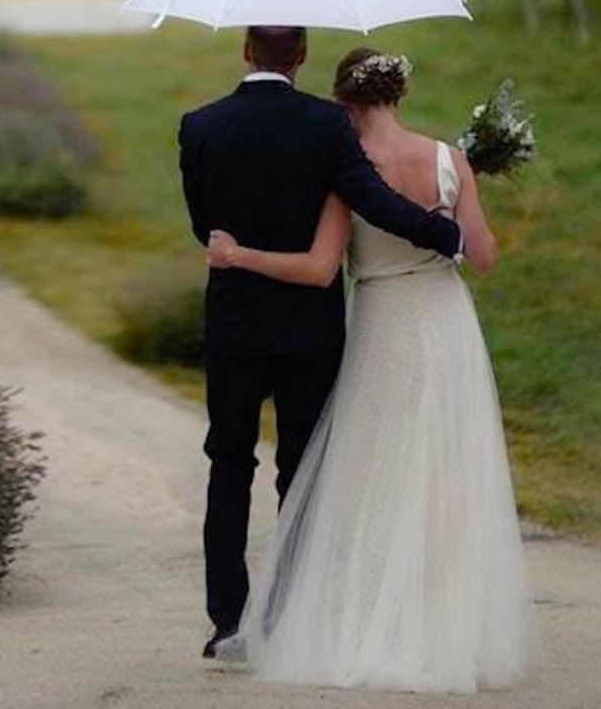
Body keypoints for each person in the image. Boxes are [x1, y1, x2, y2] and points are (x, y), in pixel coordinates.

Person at [206, 45, 531, 692]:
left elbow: (320, 270)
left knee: (371, 478)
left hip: (383, 325)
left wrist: (240, 255)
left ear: (346, 103)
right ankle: (445, 629)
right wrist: (461, 194)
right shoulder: (448, 160)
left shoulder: (345, 173)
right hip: (444, 324)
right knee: (443, 476)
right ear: (398, 95)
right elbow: (483, 256)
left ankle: (365, 623)